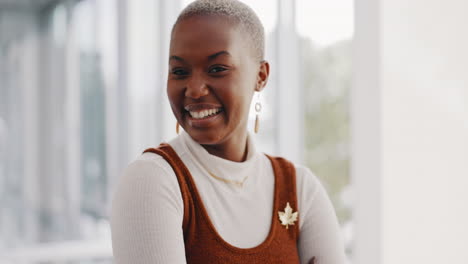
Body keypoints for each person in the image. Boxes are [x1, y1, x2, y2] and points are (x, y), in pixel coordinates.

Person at [110, 0, 346, 263]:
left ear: (261, 75)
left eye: (217, 69)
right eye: (179, 71)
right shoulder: (153, 180)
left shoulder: (300, 188)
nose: (195, 89)